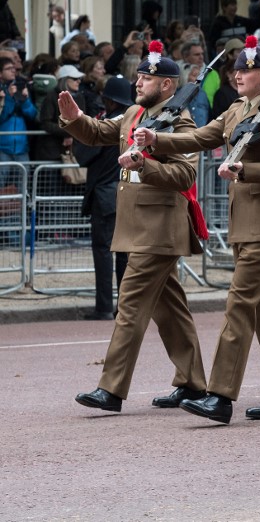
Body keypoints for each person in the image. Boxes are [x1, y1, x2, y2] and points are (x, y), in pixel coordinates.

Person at [134, 37, 260, 424]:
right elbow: (201, 136)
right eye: (236, 70)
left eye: (246, 70)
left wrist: (246, 169)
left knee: (239, 304)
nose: (238, 75)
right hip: (245, 225)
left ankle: (221, 395)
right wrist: (157, 138)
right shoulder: (237, 109)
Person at [61, 42, 207, 413]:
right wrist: (75, 118)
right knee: (169, 309)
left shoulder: (180, 121)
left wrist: (145, 164)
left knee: (129, 305)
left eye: (148, 78)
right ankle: (192, 383)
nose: (139, 82)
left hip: (159, 227)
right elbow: (97, 134)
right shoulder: (132, 114)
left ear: (168, 86)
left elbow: (185, 173)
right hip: (137, 225)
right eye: (140, 76)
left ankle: (111, 388)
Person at [74, 76, 133, 320]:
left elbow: (84, 156)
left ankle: (104, 307)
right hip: (125, 193)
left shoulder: (106, 123)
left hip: (105, 195)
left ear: (109, 100)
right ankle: (124, 307)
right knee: (123, 254)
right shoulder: (131, 123)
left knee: (102, 251)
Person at [0, 57, 37, 187]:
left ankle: (23, 208)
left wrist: (25, 99)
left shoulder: (21, 86)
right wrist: (9, 97)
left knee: (23, 185)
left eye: (14, 69)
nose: (13, 71)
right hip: (2, 147)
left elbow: (32, 115)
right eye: (8, 69)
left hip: (22, 147)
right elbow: (1, 117)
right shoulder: (2, 92)